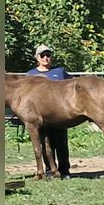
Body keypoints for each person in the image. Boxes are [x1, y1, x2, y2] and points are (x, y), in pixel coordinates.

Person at [24, 44, 73, 177]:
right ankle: (50, 170)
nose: (46, 58)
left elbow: (72, 86)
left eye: (48, 55)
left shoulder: (60, 72)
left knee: (61, 143)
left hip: (59, 114)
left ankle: (64, 170)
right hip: (41, 116)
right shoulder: (30, 75)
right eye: (42, 55)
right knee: (45, 143)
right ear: (37, 58)